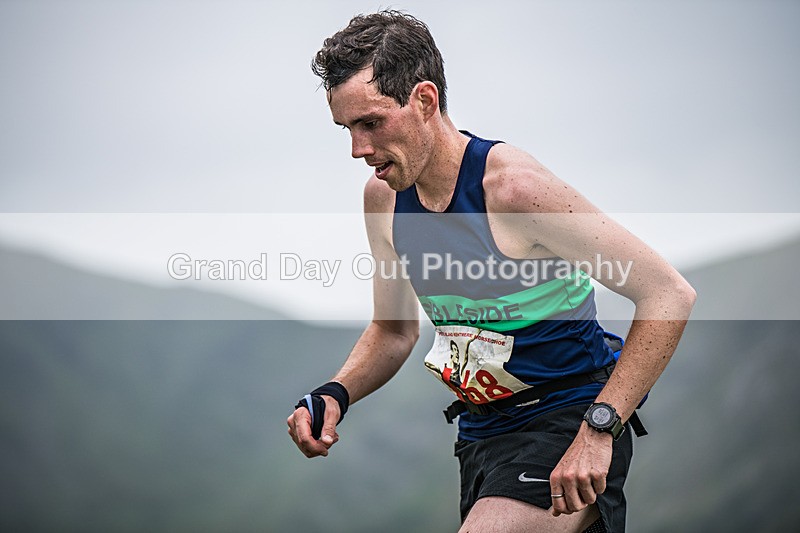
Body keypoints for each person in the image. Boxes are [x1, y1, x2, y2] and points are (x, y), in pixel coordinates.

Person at [286, 10, 696, 533]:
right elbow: (393, 330)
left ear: (425, 101)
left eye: (371, 123)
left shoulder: (514, 190)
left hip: (568, 420)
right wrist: (334, 393)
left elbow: (668, 294)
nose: (358, 149)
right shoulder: (384, 200)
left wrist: (598, 429)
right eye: (347, 129)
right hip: (481, 436)